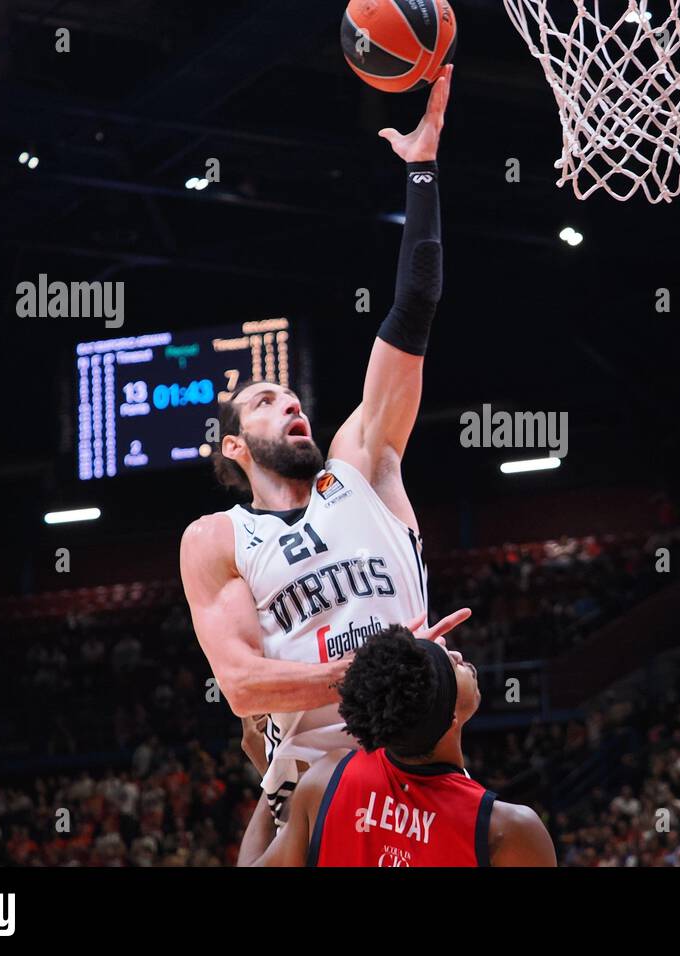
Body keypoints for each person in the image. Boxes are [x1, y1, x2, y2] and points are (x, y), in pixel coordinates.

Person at [181, 67, 462, 823]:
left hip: (420, 760)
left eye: (294, 394)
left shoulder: (363, 463)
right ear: (236, 448)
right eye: (268, 402)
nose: (292, 402)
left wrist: (422, 171)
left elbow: (415, 307)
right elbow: (242, 683)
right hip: (312, 782)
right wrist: (383, 672)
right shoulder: (216, 539)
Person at [238, 625, 555, 866]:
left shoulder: (327, 779)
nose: (458, 655)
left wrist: (273, 778)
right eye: (451, 665)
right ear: (450, 717)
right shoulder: (508, 831)